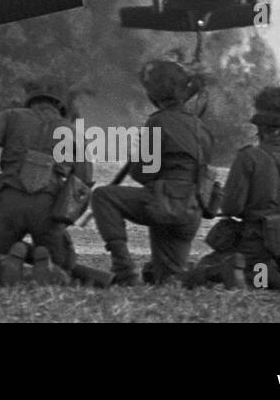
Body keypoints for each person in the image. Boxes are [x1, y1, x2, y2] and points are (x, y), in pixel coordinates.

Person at [91, 57, 215, 286]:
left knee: (103, 196)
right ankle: (211, 275)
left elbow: (144, 173)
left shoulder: (158, 121)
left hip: (164, 203)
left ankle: (124, 268)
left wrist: (136, 160)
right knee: (169, 280)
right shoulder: (202, 128)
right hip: (190, 209)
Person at [0, 79, 103, 287]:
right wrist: (65, 212)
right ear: (60, 106)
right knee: (63, 266)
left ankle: (4, 264)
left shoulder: (11, 116)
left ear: (30, 101)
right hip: (48, 206)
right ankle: (49, 267)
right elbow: (84, 176)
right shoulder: (71, 130)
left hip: (8, 200)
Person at [185, 87, 280, 291]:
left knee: (206, 269)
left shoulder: (248, 158)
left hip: (254, 243)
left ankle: (245, 273)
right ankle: (277, 274)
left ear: (262, 131)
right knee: (267, 275)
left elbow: (232, 208)